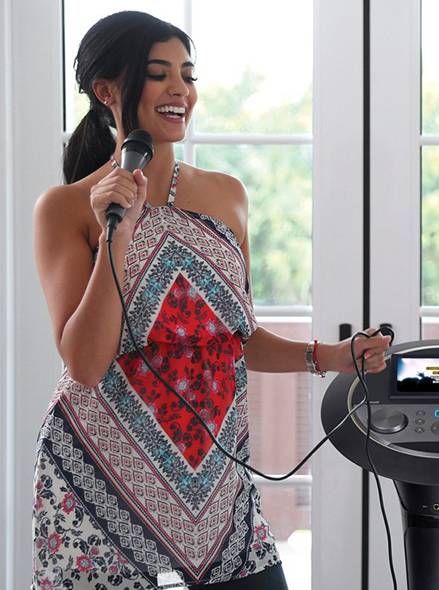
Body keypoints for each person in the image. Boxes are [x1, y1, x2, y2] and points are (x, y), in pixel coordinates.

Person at [32, 11, 390, 590]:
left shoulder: (227, 196)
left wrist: (332, 356)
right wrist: (118, 233)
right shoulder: (67, 208)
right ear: (106, 91)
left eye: (188, 74)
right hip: (98, 489)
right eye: (158, 74)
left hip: (216, 485)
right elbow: (85, 364)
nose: (180, 89)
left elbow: (236, 339)